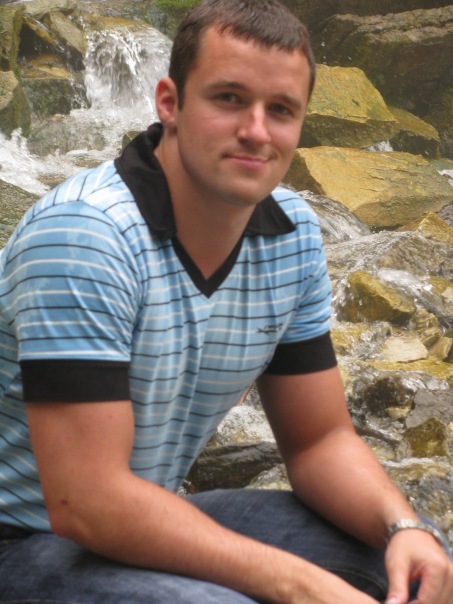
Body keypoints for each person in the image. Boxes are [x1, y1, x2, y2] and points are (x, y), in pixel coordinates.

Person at [0, 0, 452, 602]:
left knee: (420, 565)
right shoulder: (85, 236)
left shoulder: (293, 234)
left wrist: (403, 528)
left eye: (281, 110)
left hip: (143, 513)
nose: (256, 131)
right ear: (170, 103)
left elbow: (319, 442)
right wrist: (299, 585)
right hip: (24, 539)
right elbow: (88, 503)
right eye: (229, 99)